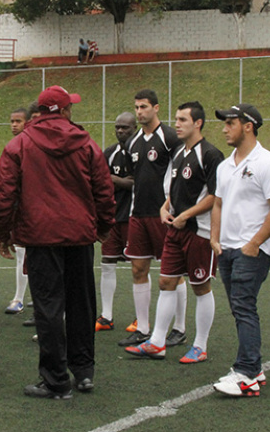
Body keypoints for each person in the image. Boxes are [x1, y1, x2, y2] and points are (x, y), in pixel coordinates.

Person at [0, 85, 115, 399]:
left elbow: (3, 196)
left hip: (40, 235)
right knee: (81, 305)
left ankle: (56, 380)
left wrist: (3, 233)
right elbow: (104, 190)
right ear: (64, 111)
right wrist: (102, 226)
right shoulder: (86, 143)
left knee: (48, 308)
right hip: (78, 235)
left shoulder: (19, 145)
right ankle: (84, 372)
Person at [125, 102, 224, 363]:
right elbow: (172, 191)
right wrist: (164, 208)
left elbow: (215, 196)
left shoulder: (211, 154)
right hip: (174, 230)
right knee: (166, 282)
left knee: (200, 286)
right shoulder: (179, 152)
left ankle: (200, 346)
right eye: (177, 119)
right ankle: (157, 342)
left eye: (183, 120)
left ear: (198, 123)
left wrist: (186, 216)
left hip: (199, 232)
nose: (177, 124)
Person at [210, 103, 270, 397]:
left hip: (250, 251)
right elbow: (218, 202)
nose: (224, 128)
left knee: (244, 307)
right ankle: (253, 367)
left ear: (248, 126)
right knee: (240, 309)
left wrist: (254, 244)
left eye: (230, 123)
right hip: (227, 249)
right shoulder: (224, 165)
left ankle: (247, 372)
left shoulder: (269, 163)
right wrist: (215, 238)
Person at [119, 89, 187, 348]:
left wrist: (172, 207)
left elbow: (180, 174)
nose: (139, 112)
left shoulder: (171, 138)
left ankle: (179, 328)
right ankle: (143, 327)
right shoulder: (132, 142)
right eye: (136, 107)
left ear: (156, 108)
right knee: (138, 269)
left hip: (164, 216)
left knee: (174, 272)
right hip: (138, 214)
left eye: (144, 107)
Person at [95, 112, 136, 332]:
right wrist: (121, 181)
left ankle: (141, 318)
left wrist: (113, 179)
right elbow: (99, 181)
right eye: (118, 127)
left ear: (135, 128)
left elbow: (136, 183)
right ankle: (106, 316)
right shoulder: (109, 153)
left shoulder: (140, 151)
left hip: (134, 216)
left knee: (138, 267)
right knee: (107, 264)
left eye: (126, 128)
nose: (121, 131)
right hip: (113, 217)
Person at [5, 107, 31, 315]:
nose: (14, 125)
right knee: (21, 252)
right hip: (20, 208)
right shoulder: (12, 147)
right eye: (12, 121)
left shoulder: (34, 145)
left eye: (18, 121)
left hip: (36, 209)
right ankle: (18, 297)